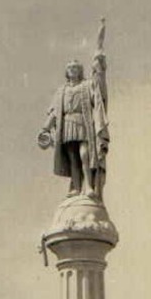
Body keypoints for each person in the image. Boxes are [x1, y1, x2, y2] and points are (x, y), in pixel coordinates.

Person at [37, 23, 110, 200]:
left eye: (76, 68)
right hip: (67, 125)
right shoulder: (61, 91)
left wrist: (98, 52)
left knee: (85, 154)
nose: (73, 71)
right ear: (67, 72)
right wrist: (45, 129)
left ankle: (89, 187)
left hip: (82, 123)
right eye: (70, 69)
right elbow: (54, 113)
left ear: (80, 71)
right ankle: (76, 187)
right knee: (72, 158)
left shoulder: (87, 85)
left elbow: (98, 87)